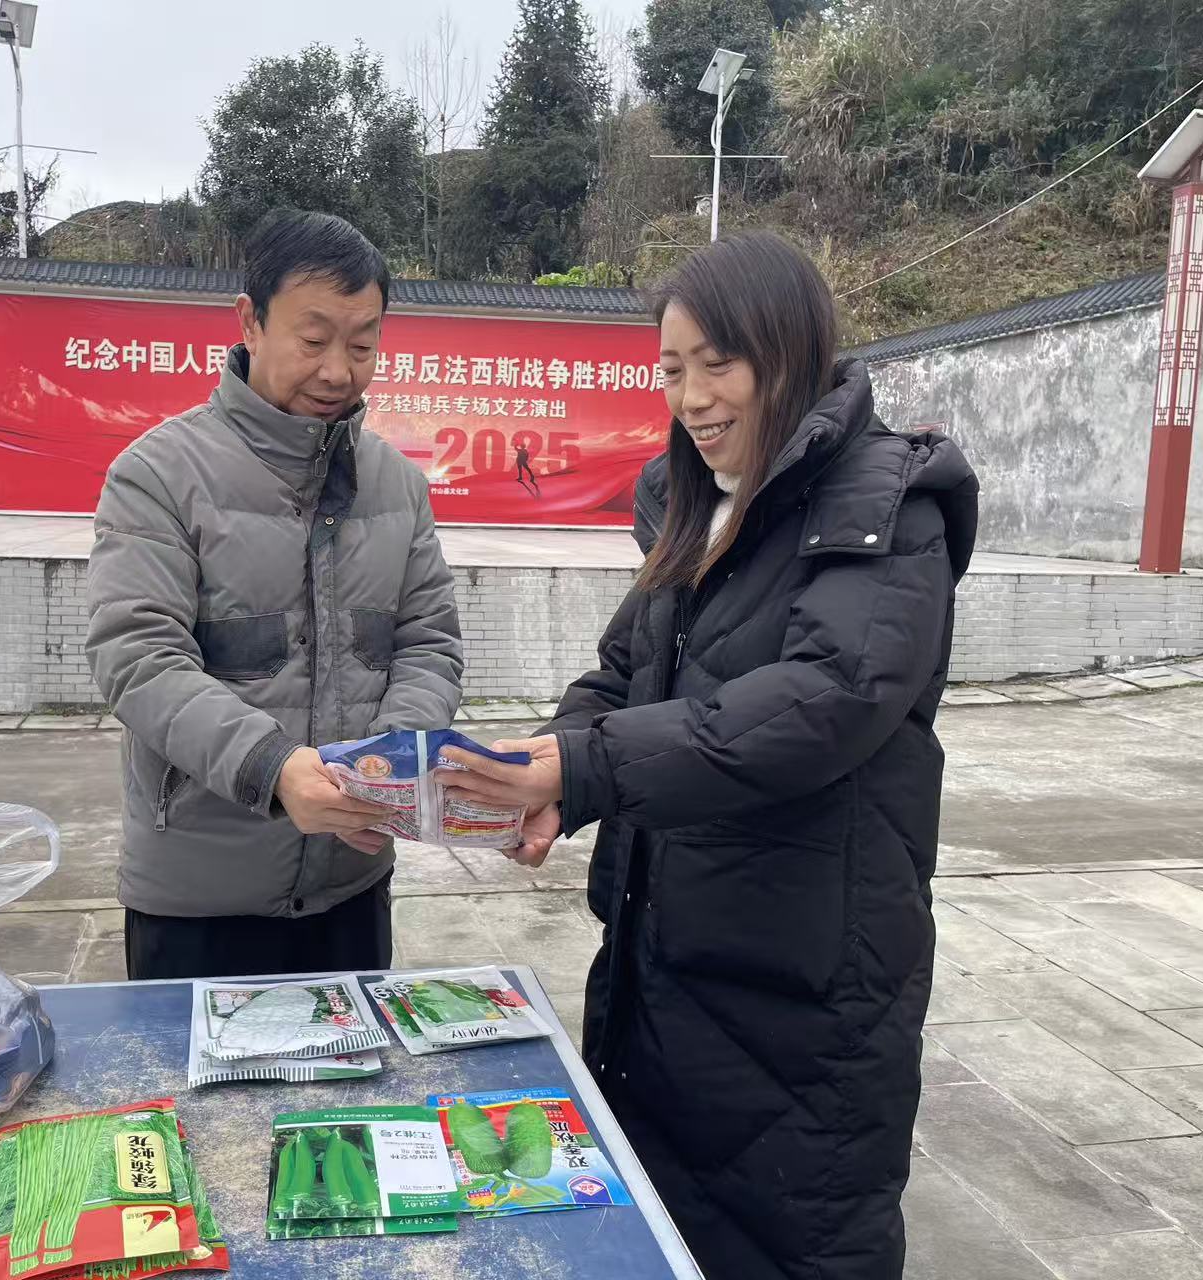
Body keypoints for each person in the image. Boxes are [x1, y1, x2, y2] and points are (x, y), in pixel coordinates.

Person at [440, 232, 978, 1279]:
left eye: (717, 365)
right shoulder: (692, 501)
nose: (692, 398)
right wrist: (542, 767)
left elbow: (825, 698)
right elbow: (623, 671)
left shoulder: (886, 501)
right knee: (659, 1233)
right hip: (662, 959)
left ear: (786, 350)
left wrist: (586, 768)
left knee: (792, 1242)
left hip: (801, 990)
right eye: (672, 370)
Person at [86, 209, 464, 981]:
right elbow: (138, 658)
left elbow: (427, 642)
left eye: (361, 346)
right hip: (199, 903)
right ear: (249, 323)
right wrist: (274, 769)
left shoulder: (396, 483)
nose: (337, 372)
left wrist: (392, 758)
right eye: (313, 340)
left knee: (357, 1064)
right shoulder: (159, 474)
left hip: (351, 888)